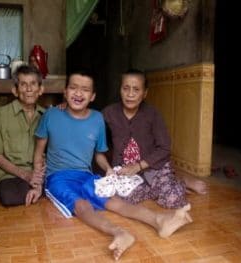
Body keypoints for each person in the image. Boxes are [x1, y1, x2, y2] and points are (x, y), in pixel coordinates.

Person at [33, 70, 192, 260]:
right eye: (73, 88)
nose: (78, 93)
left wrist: (107, 169)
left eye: (85, 90)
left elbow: (99, 153)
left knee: (114, 200)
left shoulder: (97, 118)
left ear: (92, 96)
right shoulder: (51, 115)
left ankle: (158, 221)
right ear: (65, 92)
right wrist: (36, 180)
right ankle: (119, 232)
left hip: (86, 175)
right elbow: (39, 151)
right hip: (58, 177)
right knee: (82, 205)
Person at [102, 69, 207, 209]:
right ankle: (164, 185)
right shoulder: (109, 112)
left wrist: (138, 166)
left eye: (136, 89)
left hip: (154, 167)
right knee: (119, 197)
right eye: (125, 88)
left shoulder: (152, 114)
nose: (130, 94)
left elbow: (165, 147)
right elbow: (90, 121)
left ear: (145, 93)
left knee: (172, 199)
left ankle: (180, 181)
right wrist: (68, 108)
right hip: (125, 170)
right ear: (120, 90)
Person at [0, 65, 45, 207]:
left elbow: (52, 152)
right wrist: (25, 175)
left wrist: (38, 177)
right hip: (10, 174)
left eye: (33, 84)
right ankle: (37, 190)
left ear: (41, 89)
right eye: (23, 84)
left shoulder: (48, 116)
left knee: (61, 184)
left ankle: (39, 188)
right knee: (9, 197)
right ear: (15, 90)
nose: (29, 89)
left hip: (38, 172)